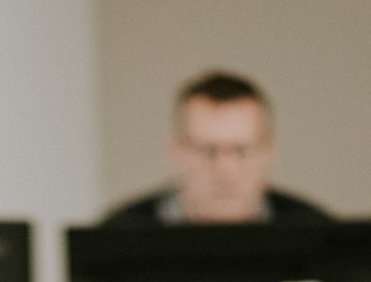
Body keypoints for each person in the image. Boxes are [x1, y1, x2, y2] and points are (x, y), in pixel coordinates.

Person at [102, 71, 329, 226]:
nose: (225, 170)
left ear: (268, 151)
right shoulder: (118, 238)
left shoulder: (319, 236)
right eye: (207, 151)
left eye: (242, 151)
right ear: (176, 152)